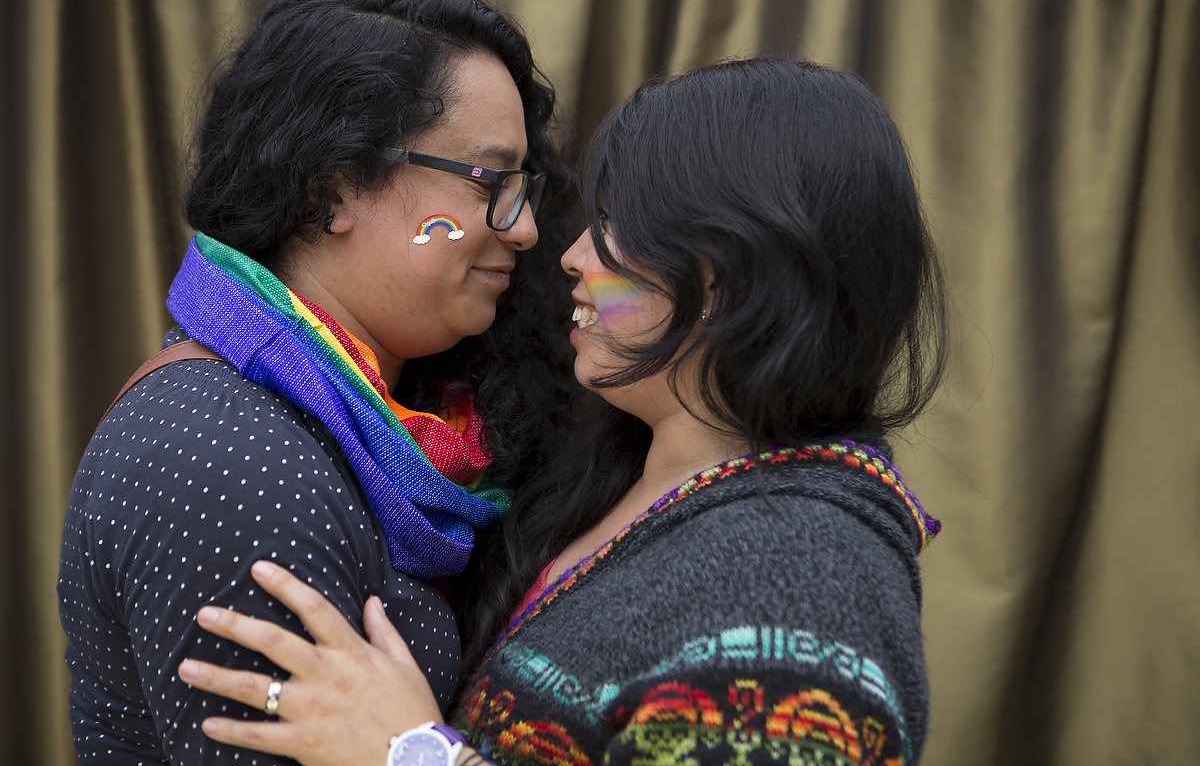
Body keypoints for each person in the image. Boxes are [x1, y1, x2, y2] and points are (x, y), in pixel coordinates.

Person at [174, 57, 949, 766]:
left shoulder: (805, 580)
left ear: (730, 276)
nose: (571, 256)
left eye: (615, 229)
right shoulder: (608, 475)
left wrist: (408, 752)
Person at [57, 0, 579, 764]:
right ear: (331, 190)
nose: (527, 229)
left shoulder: (372, 420)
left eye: (523, 187)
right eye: (489, 183)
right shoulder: (226, 455)